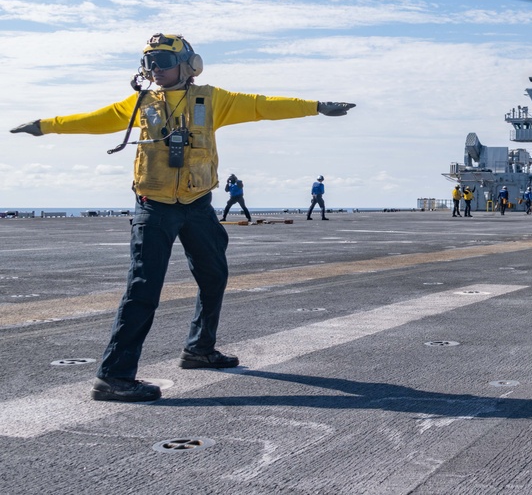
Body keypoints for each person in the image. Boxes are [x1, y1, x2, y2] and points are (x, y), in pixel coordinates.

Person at [10, 33, 355, 403]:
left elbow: (263, 105)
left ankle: (199, 349)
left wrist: (317, 106)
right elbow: (94, 119)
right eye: (149, 62)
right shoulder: (140, 103)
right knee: (143, 288)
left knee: (214, 274)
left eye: (161, 60)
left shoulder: (214, 99)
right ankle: (113, 376)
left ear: (189, 64)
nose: (154, 69)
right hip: (154, 205)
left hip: (197, 204)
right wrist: (45, 125)